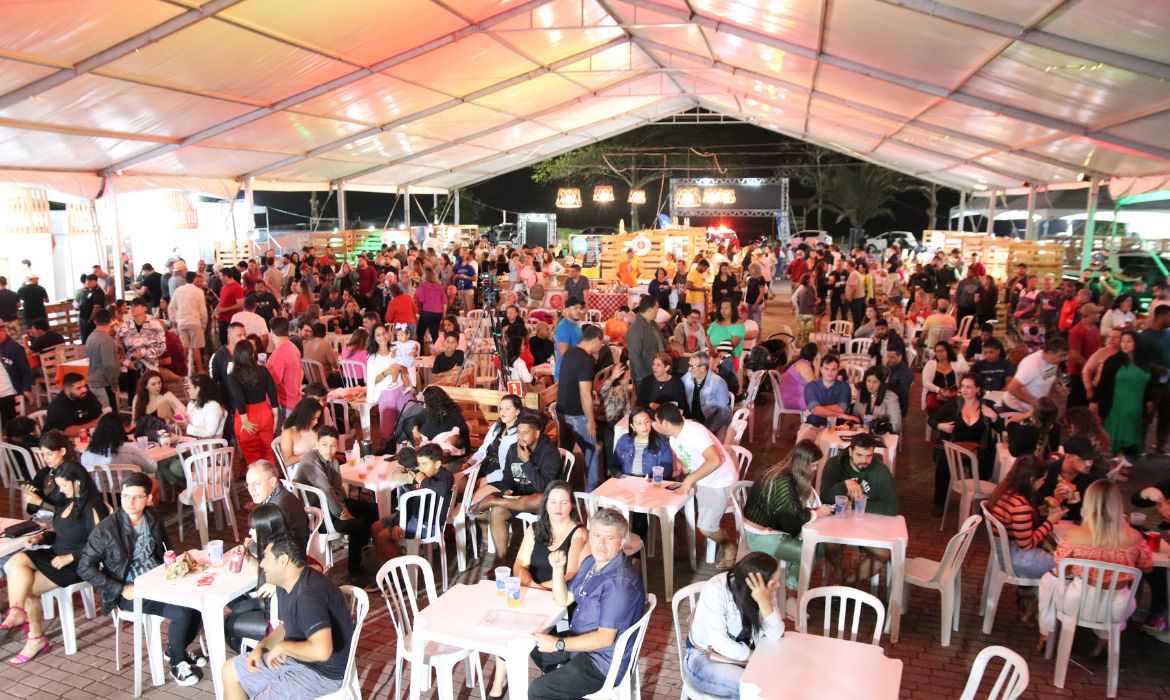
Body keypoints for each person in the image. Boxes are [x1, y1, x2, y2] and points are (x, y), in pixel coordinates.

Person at [79, 472, 205, 686]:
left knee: (200, 601)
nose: (130, 502)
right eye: (126, 496)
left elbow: (165, 546)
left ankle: (176, 649)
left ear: (148, 499)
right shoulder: (107, 530)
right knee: (182, 611)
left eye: (137, 497)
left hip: (159, 580)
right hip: (130, 590)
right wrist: (119, 588)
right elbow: (84, 568)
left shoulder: (152, 516)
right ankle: (177, 663)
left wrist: (176, 565)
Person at [221, 529, 354, 699]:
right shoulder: (286, 584)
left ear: (283, 560)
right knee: (230, 670)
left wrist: (283, 647)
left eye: (266, 557)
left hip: (322, 673)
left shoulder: (308, 595)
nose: (261, 564)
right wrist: (262, 647)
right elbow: (285, 627)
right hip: (296, 660)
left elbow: (322, 651)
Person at [528, 508, 645, 700]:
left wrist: (558, 644)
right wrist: (557, 570)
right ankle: (565, 690)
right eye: (597, 535)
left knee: (538, 691)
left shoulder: (619, 584)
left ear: (621, 543)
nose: (600, 544)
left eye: (609, 538)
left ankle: (559, 690)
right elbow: (563, 599)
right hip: (583, 640)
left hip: (601, 661)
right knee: (534, 648)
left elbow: (605, 639)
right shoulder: (591, 562)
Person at [486, 480, 588, 698]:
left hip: (561, 600)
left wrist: (539, 589)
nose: (558, 507)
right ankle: (499, 681)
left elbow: (571, 574)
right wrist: (532, 586)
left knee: (520, 629)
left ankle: (543, 677)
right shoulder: (535, 529)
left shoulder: (579, 533)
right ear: (545, 504)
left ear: (572, 505)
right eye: (553, 502)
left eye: (564, 502)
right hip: (533, 593)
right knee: (506, 623)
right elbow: (519, 564)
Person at [1, 460, 107, 666]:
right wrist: (42, 538)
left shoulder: (93, 506)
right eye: (60, 485)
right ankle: (16, 610)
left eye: (66, 485)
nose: (62, 490)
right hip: (55, 553)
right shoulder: (66, 500)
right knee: (18, 560)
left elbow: (101, 545)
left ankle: (35, 637)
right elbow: (61, 533)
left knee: (26, 587)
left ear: (79, 482)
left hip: (78, 562)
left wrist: (71, 557)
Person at [1037, 480, 1152, 651]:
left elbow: (1063, 568)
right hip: (1118, 607)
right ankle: (1106, 636)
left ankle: (1047, 632)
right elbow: (1147, 567)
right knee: (1113, 597)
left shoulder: (1073, 535)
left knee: (1049, 579)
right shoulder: (1135, 537)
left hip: (1078, 603)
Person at [682, 552, 783, 698]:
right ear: (756, 581)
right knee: (752, 690)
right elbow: (720, 643)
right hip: (704, 658)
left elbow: (776, 634)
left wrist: (764, 602)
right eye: (774, 582)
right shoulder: (716, 590)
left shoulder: (763, 592)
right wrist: (754, 658)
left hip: (743, 657)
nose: (778, 585)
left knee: (779, 681)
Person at [653, 403, 740, 568]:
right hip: (703, 481)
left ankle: (729, 547)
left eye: (656, 421)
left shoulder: (694, 432)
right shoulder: (673, 439)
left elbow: (715, 460)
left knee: (706, 528)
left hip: (720, 482)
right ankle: (685, 548)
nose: (654, 425)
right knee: (677, 510)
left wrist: (689, 479)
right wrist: (684, 469)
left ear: (665, 423)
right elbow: (687, 462)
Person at [743, 440, 830, 595]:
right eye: (814, 465)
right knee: (814, 549)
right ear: (804, 464)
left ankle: (791, 582)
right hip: (762, 537)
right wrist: (817, 513)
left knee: (813, 544)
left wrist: (811, 512)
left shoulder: (782, 471)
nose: (815, 469)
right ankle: (792, 589)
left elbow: (790, 512)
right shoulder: (783, 481)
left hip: (761, 530)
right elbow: (792, 516)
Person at [469, 414, 562, 558]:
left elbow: (544, 488)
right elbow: (507, 475)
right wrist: (506, 488)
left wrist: (526, 463)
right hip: (519, 497)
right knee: (497, 512)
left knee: (540, 497)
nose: (520, 436)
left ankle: (494, 500)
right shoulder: (513, 449)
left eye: (525, 433)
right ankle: (502, 560)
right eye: (518, 432)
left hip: (543, 500)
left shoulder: (550, 453)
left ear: (536, 433)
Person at [293, 427, 377, 583]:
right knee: (359, 527)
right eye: (324, 444)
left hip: (333, 504)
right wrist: (341, 512)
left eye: (333, 445)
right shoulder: (310, 460)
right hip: (317, 515)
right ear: (317, 444)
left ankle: (366, 553)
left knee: (373, 510)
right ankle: (354, 570)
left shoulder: (333, 462)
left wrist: (344, 507)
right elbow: (326, 490)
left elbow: (337, 490)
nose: (329, 450)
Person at [819, 434, 898, 582]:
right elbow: (824, 497)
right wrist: (844, 485)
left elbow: (892, 508)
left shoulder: (881, 473)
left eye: (869, 456)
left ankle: (848, 585)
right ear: (850, 451)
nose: (864, 460)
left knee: (883, 554)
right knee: (829, 544)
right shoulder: (834, 465)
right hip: (838, 524)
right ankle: (839, 571)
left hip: (868, 527)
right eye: (859, 455)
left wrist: (854, 505)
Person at [987, 455, 1064, 587]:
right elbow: (1027, 545)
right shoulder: (1020, 505)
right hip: (1018, 558)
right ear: (1032, 479)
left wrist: (1040, 511)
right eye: (1042, 480)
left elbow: (1020, 521)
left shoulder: (1006, 492)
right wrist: (1050, 522)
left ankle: (1035, 595)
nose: (1043, 483)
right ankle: (1046, 601)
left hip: (1005, 552)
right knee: (1066, 566)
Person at [928, 374, 1001, 512]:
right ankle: (939, 503)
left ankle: (978, 503)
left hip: (978, 448)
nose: (964, 390)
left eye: (969, 387)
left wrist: (995, 417)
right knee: (943, 461)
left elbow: (1001, 428)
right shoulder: (953, 404)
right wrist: (941, 426)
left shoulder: (987, 406)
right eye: (963, 387)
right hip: (953, 446)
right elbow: (932, 419)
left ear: (978, 389)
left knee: (984, 461)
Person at [557, 324, 604, 491]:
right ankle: (591, 493)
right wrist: (590, 420)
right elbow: (585, 394)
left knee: (565, 452)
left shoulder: (569, 353)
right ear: (597, 340)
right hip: (576, 414)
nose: (601, 347)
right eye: (601, 343)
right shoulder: (585, 361)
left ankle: (559, 488)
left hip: (562, 410)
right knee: (591, 452)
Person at [1094, 329, 1152, 458]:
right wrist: (1095, 401)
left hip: (1136, 406)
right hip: (1116, 405)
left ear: (1136, 343)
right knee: (1117, 436)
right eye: (1123, 341)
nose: (1124, 344)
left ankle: (1123, 461)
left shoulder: (1143, 362)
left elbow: (1148, 385)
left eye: (1129, 341)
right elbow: (1103, 382)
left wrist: (1149, 400)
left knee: (1132, 435)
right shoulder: (1113, 361)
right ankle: (1115, 462)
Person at [226, 341, 279, 465]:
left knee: (252, 456)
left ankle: (257, 481)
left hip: (247, 416)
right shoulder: (263, 370)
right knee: (268, 452)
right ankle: (271, 480)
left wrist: (245, 421)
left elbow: (240, 398)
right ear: (252, 354)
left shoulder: (234, 375)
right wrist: (275, 415)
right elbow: (272, 392)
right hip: (265, 413)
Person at [243, 461, 310, 547]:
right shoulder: (282, 493)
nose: (251, 489)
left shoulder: (276, 508)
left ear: (272, 482)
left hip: (290, 554)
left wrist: (249, 546)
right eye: (248, 484)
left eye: (256, 484)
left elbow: (268, 546)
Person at [366, 324, 413, 443]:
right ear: (374, 338)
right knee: (387, 431)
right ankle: (388, 452)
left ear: (388, 333)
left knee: (409, 422)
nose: (382, 337)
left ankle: (407, 449)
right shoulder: (372, 357)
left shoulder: (397, 350)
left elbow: (408, 369)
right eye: (378, 335)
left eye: (384, 333)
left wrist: (402, 368)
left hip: (402, 389)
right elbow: (371, 380)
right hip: (386, 393)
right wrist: (386, 373)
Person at [796, 354, 858, 443]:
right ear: (821, 369)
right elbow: (816, 410)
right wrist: (842, 415)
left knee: (821, 446)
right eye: (826, 369)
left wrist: (817, 409)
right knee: (802, 446)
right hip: (813, 423)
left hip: (837, 425)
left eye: (833, 369)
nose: (830, 373)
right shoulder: (811, 386)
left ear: (838, 370)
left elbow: (841, 409)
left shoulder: (844, 386)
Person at [466, 394, 522, 485]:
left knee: (472, 495)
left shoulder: (519, 434)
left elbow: (510, 469)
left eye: (507, 409)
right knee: (456, 483)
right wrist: (470, 463)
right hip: (482, 467)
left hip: (501, 475)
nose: (503, 412)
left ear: (517, 412)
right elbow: (483, 449)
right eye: (501, 408)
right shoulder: (497, 426)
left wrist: (486, 479)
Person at [1004, 336, 1069, 413]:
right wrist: (1035, 403)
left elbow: (1047, 378)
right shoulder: (1032, 365)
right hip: (1017, 408)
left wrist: (1058, 388)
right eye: (1062, 355)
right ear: (1050, 353)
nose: (1065, 358)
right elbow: (1012, 388)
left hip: (1034, 408)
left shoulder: (1053, 362)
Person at [115, 298, 167, 394]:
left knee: (152, 402)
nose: (132, 308)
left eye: (136, 305)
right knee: (136, 402)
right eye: (131, 306)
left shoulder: (155, 325)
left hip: (151, 369)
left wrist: (143, 353)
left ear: (144, 308)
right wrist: (126, 363)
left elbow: (162, 347)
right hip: (132, 369)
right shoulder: (124, 326)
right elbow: (117, 348)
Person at [611, 405, 675, 480]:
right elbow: (613, 465)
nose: (644, 426)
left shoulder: (662, 442)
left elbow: (667, 469)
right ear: (632, 427)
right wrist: (620, 476)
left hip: (651, 485)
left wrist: (653, 479)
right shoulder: (623, 440)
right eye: (639, 423)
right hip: (627, 482)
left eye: (647, 421)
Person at [682, 353, 732, 439]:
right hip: (692, 420)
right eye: (689, 365)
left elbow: (723, 412)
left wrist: (705, 429)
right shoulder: (688, 377)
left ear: (703, 368)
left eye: (692, 367)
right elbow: (678, 389)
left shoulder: (718, 383)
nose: (689, 369)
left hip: (711, 421)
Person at [415, 385, 470, 455]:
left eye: (426, 402)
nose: (424, 405)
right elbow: (417, 419)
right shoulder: (428, 412)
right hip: (428, 447)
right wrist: (415, 429)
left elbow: (466, 446)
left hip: (441, 452)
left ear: (431, 403)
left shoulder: (455, 416)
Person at [1066, 303, 1103, 407]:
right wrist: (1090, 368)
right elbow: (1075, 355)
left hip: (1089, 372)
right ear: (1089, 314)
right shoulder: (1076, 332)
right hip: (1078, 374)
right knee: (1076, 403)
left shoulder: (1094, 328)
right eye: (1096, 313)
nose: (1099, 315)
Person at [626, 295, 664, 396]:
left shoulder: (652, 324)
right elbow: (634, 358)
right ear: (650, 309)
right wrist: (644, 379)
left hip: (656, 373)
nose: (657, 311)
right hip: (644, 377)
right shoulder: (635, 329)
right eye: (657, 308)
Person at [851, 366, 901, 435]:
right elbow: (855, 416)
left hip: (884, 435)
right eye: (868, 381)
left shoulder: (891, 397)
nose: (871, 385)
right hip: (863, 434)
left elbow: (896, 426)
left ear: (881, 383)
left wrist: (879, 425)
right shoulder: (861, 393)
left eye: (875, 382)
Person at [922, 341, 968, 414]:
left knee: (958, 406)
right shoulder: (931, 364)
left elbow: (965, 369)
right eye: (937, 351)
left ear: (948, 351)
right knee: (932, 404)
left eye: (942, 351)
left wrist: (959, 353)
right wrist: (939, 390)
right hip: (935, 391)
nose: (939, 353)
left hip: (952, 391)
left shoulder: (954, 363)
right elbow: (926, 383)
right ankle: (934, 422)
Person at [0, 322, 33, 423]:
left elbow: (26, 370)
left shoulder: (14, 348)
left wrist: (26, 388)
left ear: (3, 330)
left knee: (9, 427)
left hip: (9, 395)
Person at [277, 397, 322, 467]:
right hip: (300, 470)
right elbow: (287, 462)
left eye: (317, 418)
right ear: (304, 416)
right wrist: (308, 453)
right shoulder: (289, 433)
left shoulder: (313, 429)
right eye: (313, 418)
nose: (316, 422)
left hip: (316, 465)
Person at [778, 342, 817, 413]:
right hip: (792, 400)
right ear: (815, 356)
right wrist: (817, 366)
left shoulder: (800, 362)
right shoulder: (804, 366)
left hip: (790, 398)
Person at [553, 298, 584, 381]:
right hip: (565, 375)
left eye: (579, 308)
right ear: (566, 310)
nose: (579, 311)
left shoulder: (576, 325)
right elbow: (564, 353)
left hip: (575, 372)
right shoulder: (563, 327)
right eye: (575, 308)